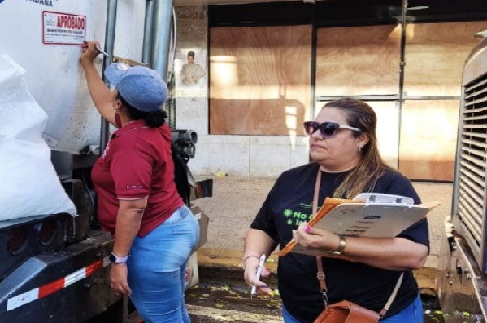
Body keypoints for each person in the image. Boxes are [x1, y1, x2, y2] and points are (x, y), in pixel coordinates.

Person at [243, 98, 429, 323]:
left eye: (329, 129)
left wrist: (338, 244)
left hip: (377, 315)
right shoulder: (290, 179)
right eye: (312, 127)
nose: (316, 135)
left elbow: (415, 255)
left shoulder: (390, 184)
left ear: (361, 138)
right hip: (300, 313)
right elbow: (263, 228)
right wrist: (252, 258)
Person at [79, 41, 199, 322]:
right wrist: (88, 64)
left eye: (116, 89)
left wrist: (118, 261)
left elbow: (133, 208)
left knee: (162, 317)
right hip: (176, 226)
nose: (112, 93)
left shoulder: (132, 144)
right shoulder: (150, 125)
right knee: (173, 314)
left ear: (120, 103)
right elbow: (102, 103)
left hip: (156, 239)